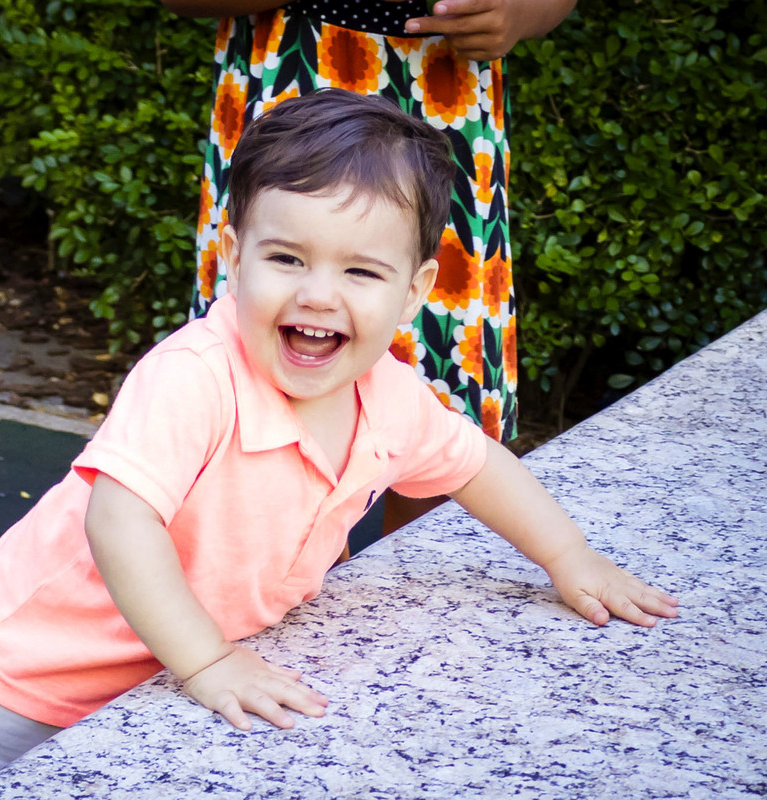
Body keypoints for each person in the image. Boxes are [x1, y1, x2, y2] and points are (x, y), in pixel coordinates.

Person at [0, 90, 677, 798]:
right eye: (286, 257)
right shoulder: (194, 378)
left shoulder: (389, 398)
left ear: (416, 290)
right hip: (27, 679)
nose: (317, 294)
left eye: (361, 271)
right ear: (233, 257)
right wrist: (208, 661)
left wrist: (569, 556)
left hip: (162, 677)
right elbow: (118, 523)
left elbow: (476, 466)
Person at [167, 0, 577, 545]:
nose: (319, 294)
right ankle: (266, 587)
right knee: (251, 392)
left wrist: (521, 12)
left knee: (441, 379)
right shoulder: (179, 379)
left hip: (444, 91)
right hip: (295, 72)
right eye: (287, 259)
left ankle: (399, 607)